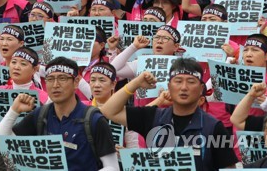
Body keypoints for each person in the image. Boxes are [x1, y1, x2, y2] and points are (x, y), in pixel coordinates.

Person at [101, 57, 238, 171]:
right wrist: (135, 83)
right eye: (178, 81)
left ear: (201, 88)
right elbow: (109, 110)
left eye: (191, 82)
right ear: (169, 86)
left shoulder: (214, 127)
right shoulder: (152, 117)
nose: (184, 87)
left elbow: (229, 168)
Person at [0, 57, 119, 171]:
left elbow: (113, 167)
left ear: (76, 82)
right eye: (50, 79)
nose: (55, 85)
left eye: (62, 78)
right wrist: (14, 111)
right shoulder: (40, 115)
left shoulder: (94, 119)